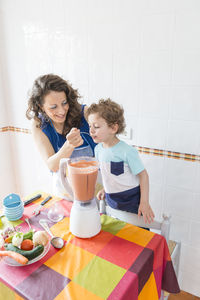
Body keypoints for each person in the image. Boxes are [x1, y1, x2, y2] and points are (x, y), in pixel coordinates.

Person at [26, 74, 96, 197]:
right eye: (53, 107)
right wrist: (69, 145)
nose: (62, 111)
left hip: (95, 188)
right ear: (41, 107)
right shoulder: (38, 125)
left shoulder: (85, 113)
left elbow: (108, 146)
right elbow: (52, 165)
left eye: (64, 103)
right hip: (65, 193)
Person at [86, 98, 155, 223]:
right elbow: (110, 176)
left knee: (136, 232)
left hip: (131, 200)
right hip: (112, 200)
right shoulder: (98, 150)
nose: (91, 130)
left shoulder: (127, 151)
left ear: (113, 128)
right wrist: (105, 190)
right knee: (118, 230)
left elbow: (143, 175)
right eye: (90, 125)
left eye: (96, 126)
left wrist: (144, 202)